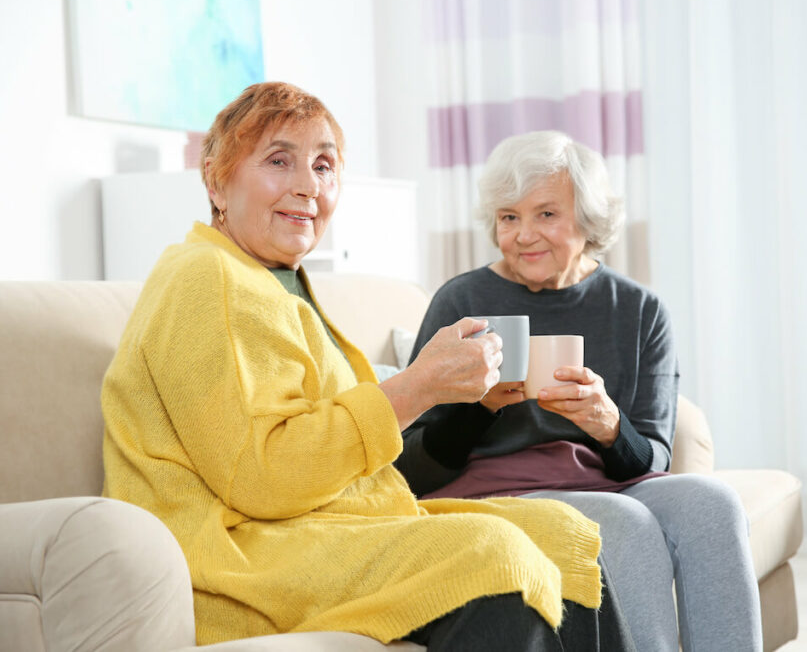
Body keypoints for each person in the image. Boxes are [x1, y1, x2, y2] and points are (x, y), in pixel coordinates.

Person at [101, 83, 635, 651]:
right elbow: (263, 477)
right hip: (241, 553)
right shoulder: (206, 278)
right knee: (490, 554)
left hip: (321, 527)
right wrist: (417, 387)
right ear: (215, 179)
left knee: (563, 536)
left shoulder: (272, 279)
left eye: (324, 165)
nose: (308, 185)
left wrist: (438, 393)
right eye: (280, 160)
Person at [395, 130, 762, 651]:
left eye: (546, 214)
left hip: (603, 482)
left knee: (714, 502)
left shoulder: (638, 311)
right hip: (488, 492)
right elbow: (406, 465)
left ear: (588, 220)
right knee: (627, 522)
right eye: (509, 217)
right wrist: (477, 412)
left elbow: (653, 458)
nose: (523, 235)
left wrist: (609, 426)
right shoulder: (463, 300)